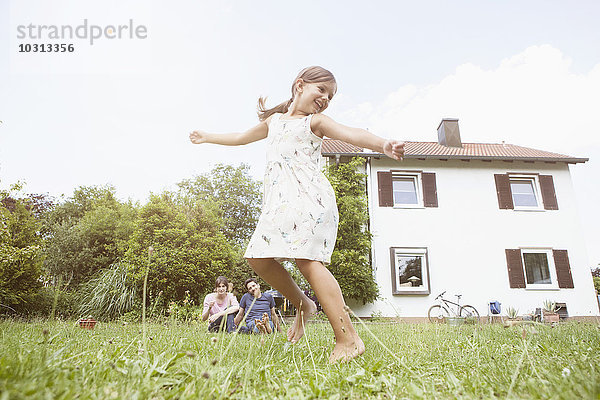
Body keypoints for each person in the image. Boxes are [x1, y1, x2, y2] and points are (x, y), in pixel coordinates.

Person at [190, 66, 405, 362]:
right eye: (322, 90)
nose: (326, 98)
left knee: (307, 260)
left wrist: (382, 144)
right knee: (257, 257)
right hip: (280, 204)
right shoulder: (274, 122)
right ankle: (304, 304)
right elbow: (241, 137)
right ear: (300, 86)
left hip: (310, 199)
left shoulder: (315, 122)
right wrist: (208, 136)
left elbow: (351, 133)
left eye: (330, 96)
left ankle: (348, 338)